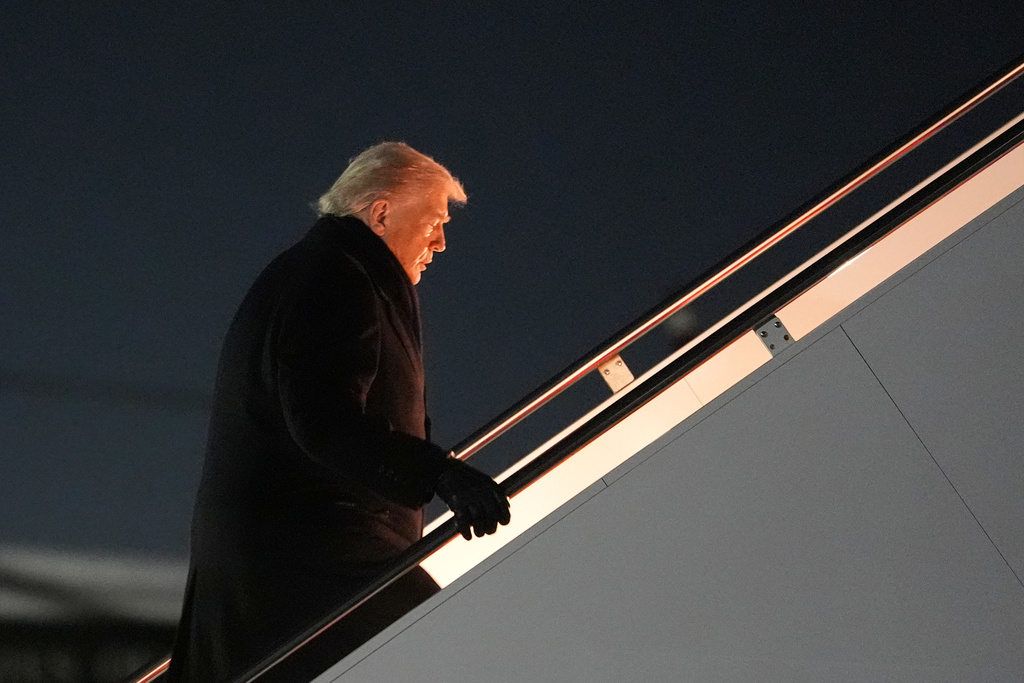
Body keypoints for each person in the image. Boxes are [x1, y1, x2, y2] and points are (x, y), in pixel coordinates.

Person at [166, 142, 510, 682]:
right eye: (434, 223)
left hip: (283, 564)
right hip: (314, 559)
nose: (441, 242)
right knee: (454, 650)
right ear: (380, 212)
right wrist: (439, 472)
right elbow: (324, 421)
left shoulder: (317, 269)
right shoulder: (337, 277)